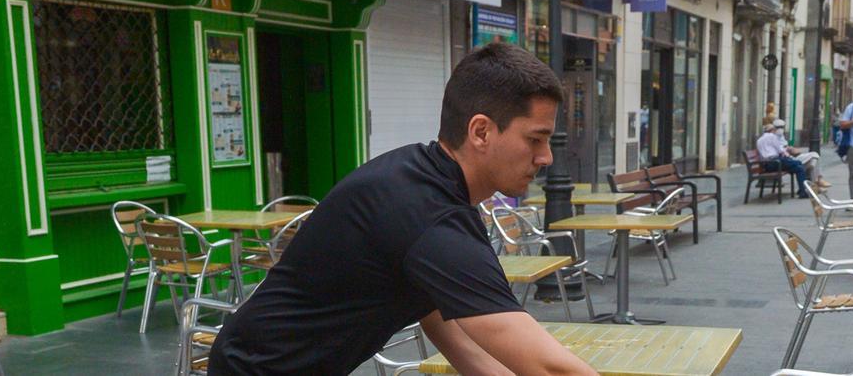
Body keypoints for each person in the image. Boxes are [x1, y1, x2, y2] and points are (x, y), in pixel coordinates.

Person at [208, 43, 598, 375]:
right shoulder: (430, 215)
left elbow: (449, 325)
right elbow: (549, 368)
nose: (546, 157)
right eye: (535, 139)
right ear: (480, 131)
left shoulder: (425, 182)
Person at [756, 121, 812, 198]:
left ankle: (802, 190)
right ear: (772, 130)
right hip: (775, 162)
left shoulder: (759, 140)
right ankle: (803, 191)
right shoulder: (772, 137)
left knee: (799, 168)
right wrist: (787, 155)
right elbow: (780, 150)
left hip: (767, 165)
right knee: (798, 163)